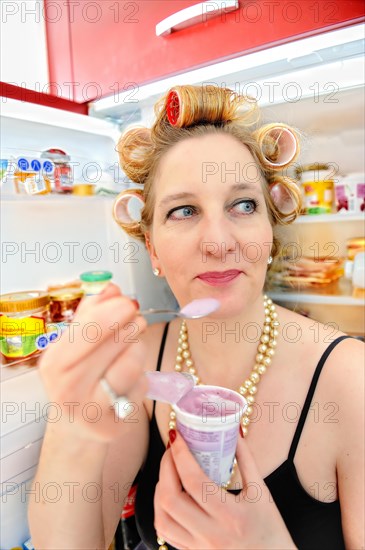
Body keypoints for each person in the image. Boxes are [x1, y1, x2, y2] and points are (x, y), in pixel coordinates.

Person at [29, 85, 364, 550]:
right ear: (152, 249)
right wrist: (72, 424)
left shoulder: (351, 380)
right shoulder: (140, 361)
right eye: (184, 211)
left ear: (270, 228)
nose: (218, 241)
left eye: (243, 205)